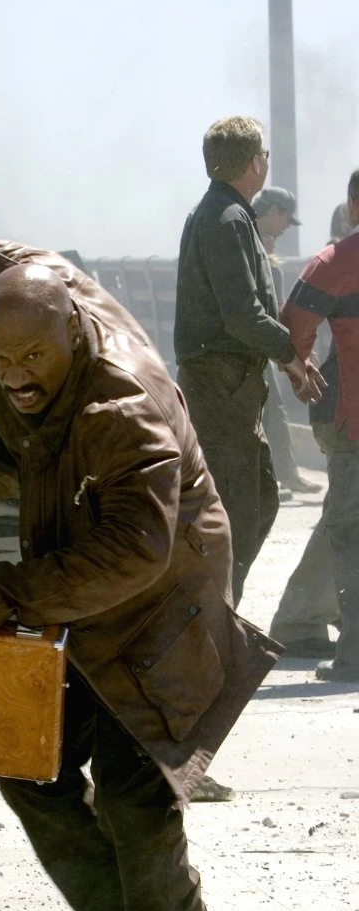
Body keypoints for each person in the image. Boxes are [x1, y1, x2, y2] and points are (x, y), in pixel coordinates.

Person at [0, 251, 279, 911]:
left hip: (163, 598)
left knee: (133, 789)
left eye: (33, 357)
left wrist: (9, 590)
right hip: (81, 589)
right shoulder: (33, 325)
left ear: (73, 330)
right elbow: (0, 265)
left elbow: (137, 551)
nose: (15, 377)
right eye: (1, 359)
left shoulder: (122, 409)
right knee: (27, 763)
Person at [173, 116, 320, 607]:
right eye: (265, 156)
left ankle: (217, 610)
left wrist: (282, 355)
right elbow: (242, 314)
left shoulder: (223, 213)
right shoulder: (228, 218)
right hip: (221, 387)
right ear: (255, 163)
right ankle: (210, 615)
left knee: (258, 501)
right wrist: (291, 356)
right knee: (235, 512)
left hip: (230, 386)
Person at [280, 169, 359, 683]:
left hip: (353, 421)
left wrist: (302, 372)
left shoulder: (337, 260)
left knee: (350, 531)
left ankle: (354, 653)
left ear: (353, 205)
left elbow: (292, 325)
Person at [252, 187, 320, 497]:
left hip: (258, 343)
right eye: (285, 220)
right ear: (273, 212)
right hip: (252, 345)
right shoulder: (249, 240)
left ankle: (283, 473)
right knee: (272, 408)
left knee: (273, 407)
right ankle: (284, 474)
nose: (285, 230)